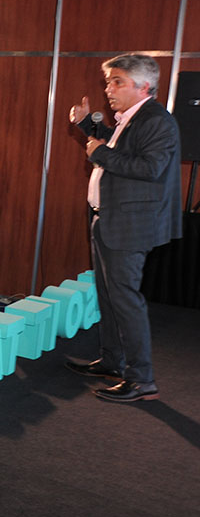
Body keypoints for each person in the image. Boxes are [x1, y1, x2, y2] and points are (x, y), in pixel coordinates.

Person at [65, 54, 182, 403]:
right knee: (109, 296)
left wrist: (100, 153)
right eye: (108, 82)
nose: (109, 89)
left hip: (130, 225)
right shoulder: (131, 118)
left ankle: (142, 379)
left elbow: (149, 168)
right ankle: (112, 362)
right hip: (109, 218)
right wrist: (87, 125)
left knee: (125, 300)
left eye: (117, 82)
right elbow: (116, 146)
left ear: (143, 86)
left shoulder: (157, 120)